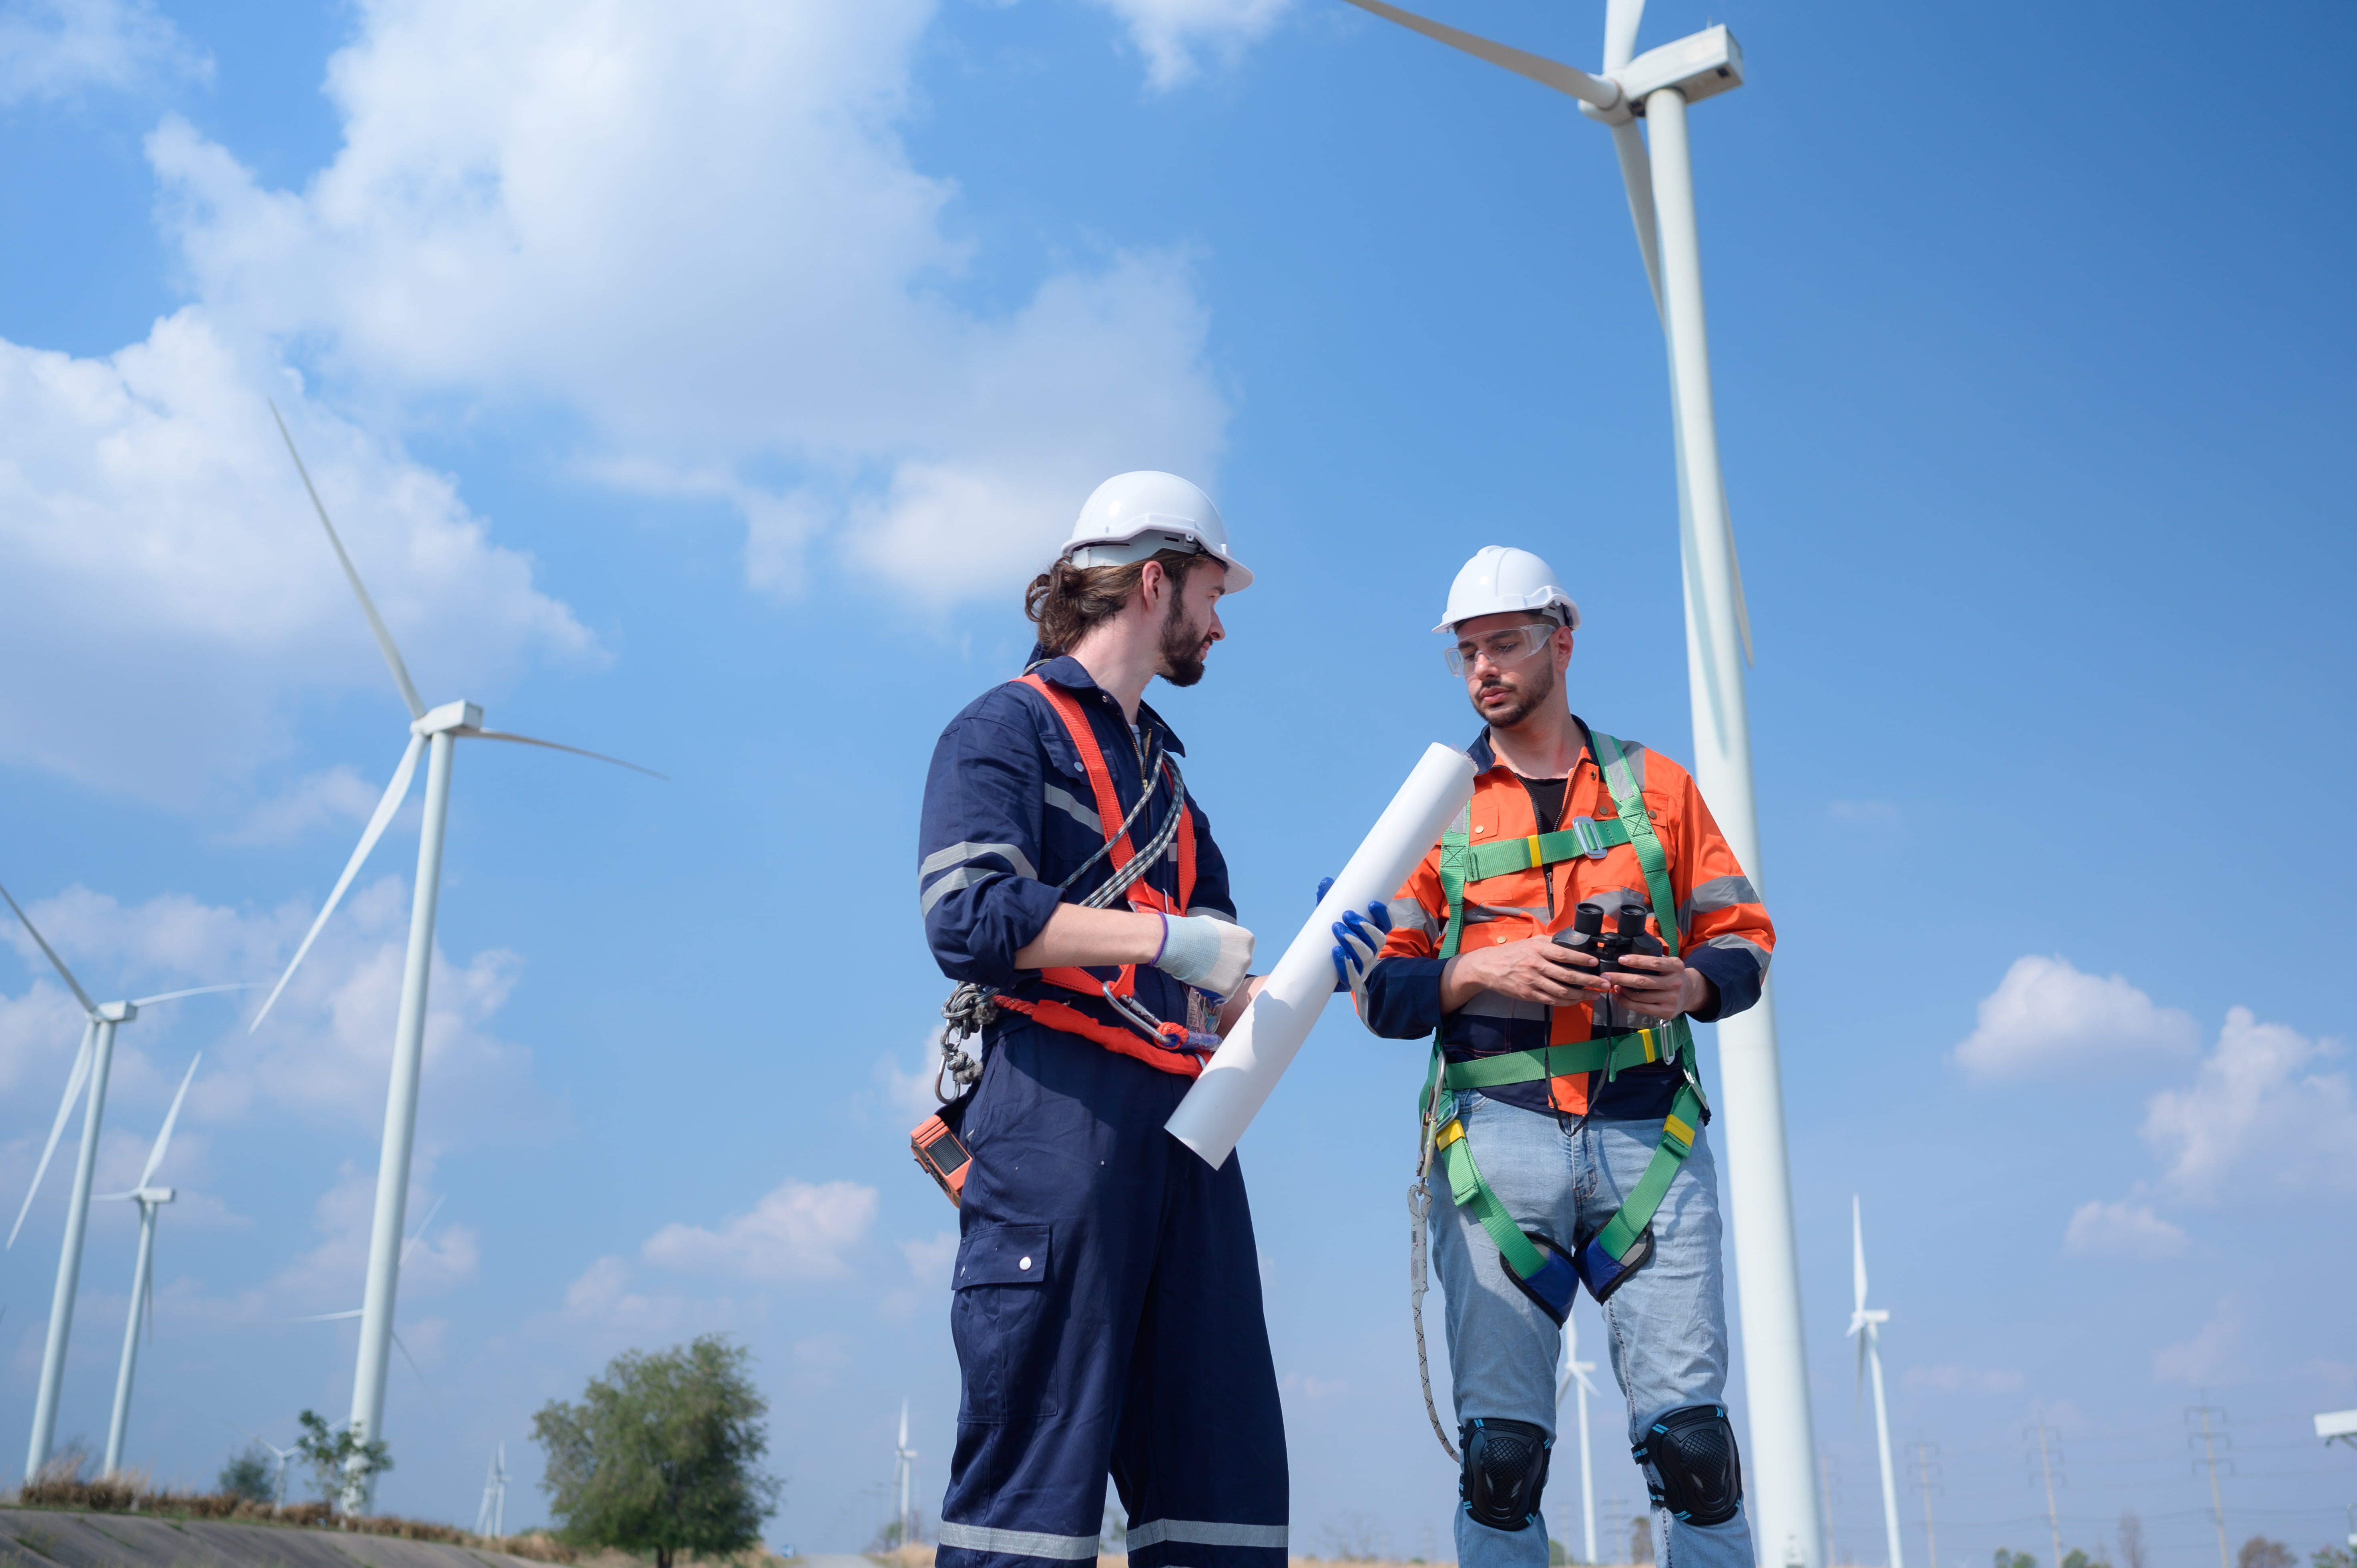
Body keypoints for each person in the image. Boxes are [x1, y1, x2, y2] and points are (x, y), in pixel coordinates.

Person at [1333, 545, 1775, 1568]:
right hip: (1496, 1146)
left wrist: (1693, 985)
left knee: (1695, 1448)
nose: (1483, 669)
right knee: (1503, 1461)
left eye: (1503, 645)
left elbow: (1745, 938)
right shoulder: (1432, 812)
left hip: (1648, 1142)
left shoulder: (1657, 788)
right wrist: (1490, 969)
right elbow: (1386, 996)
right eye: (1466, 653)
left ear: (1561, 643)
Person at [918, 472, 1287, 1568]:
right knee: (1032, 1491)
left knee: (1219, 1487)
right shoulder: (1002, 729)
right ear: (1156, 580)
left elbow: (1221, 986)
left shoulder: (1173, 790)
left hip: (1188, 1130)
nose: (1221, 623)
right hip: (1055, 1115)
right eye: (1214, 594)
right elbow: (969, 915)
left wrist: (1309, 980)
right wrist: (1163, 940)